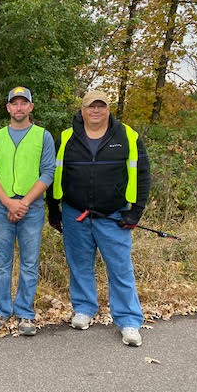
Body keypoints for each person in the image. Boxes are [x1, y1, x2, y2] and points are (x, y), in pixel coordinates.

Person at [47, 90, 150, 347]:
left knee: (120, 268)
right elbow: (55, 174)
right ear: (82, 110)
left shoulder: (127, 136)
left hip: (113, 215)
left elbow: (143, 175)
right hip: (75, 213)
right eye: (90, 106)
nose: (95, 111)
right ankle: (84, 309)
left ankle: (128, 321)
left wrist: (136, 211)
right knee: (79, 264)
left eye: (100, 106)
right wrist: (53, 208)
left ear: (108, 109)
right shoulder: (67, 137)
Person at [0, 87, 55, 336]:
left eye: (24, 103)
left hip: (32, 208)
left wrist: (23, 202)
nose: (19, 108)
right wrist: (8, 202)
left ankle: (25, 312)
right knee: (2, 264)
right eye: (14, 103)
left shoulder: (43, 136)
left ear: (31, 107)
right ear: (8, 108)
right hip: (3, 206)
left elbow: (48, 173)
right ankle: (2, 310)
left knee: (29, 263)